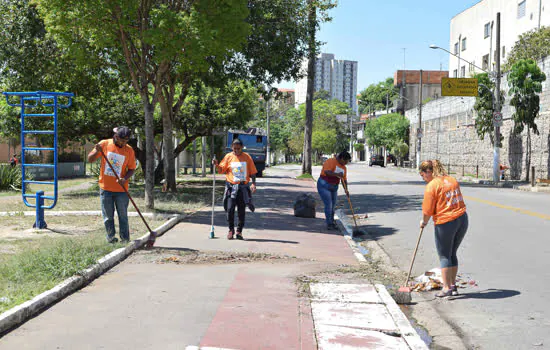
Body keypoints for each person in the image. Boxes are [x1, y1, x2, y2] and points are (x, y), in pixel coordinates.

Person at [419, 159, 468, 298]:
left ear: (428, 172)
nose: (423, 178)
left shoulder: (432, 186)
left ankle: (446, 288)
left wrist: (424, 222)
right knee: (452, 253)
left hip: (446, 222)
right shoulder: (451, 180)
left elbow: (427, 211)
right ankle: (453, 286)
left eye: (422, 175)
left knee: (444, 255)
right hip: (462, 219)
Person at [87, 126, 136, 243]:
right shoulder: (104, 144)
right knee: (108, 216)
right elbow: (90, 159)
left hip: (121, 190)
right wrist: (97, 151)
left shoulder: (129, 150)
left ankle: (125, 239)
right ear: (116, 136)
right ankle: (111, 238)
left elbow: (132, 169)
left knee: (123, 216)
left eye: (126, 141)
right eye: (122, 140)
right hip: (106, 188)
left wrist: (124, 178)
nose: (123, 143)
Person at [213, 138, 257, 240]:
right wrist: (216, 164)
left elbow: (253, 172)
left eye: (238, 148)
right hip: (231, 187)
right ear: (232, 147)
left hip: (242, 188)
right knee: (230, 209)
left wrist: (253, 183)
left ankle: (239, 231)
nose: (236, 150)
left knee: (241, 211)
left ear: (242, 147)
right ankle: (230, 230)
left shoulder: (247, 157)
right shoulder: (228, 156)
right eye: (234, 148)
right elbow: (221, 169)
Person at [317, 151, 351, 230]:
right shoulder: (330, 161)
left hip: (334, 187)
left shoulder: (344, 168)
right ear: (342, 158)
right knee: (328, 204)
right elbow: (327, 172)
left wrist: (346, 190)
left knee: (333, 205)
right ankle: (329, 224)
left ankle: (331, 221)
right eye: (346, 161)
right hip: (324, 185)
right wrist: (337, 174)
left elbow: (344, 179)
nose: (346, 163)